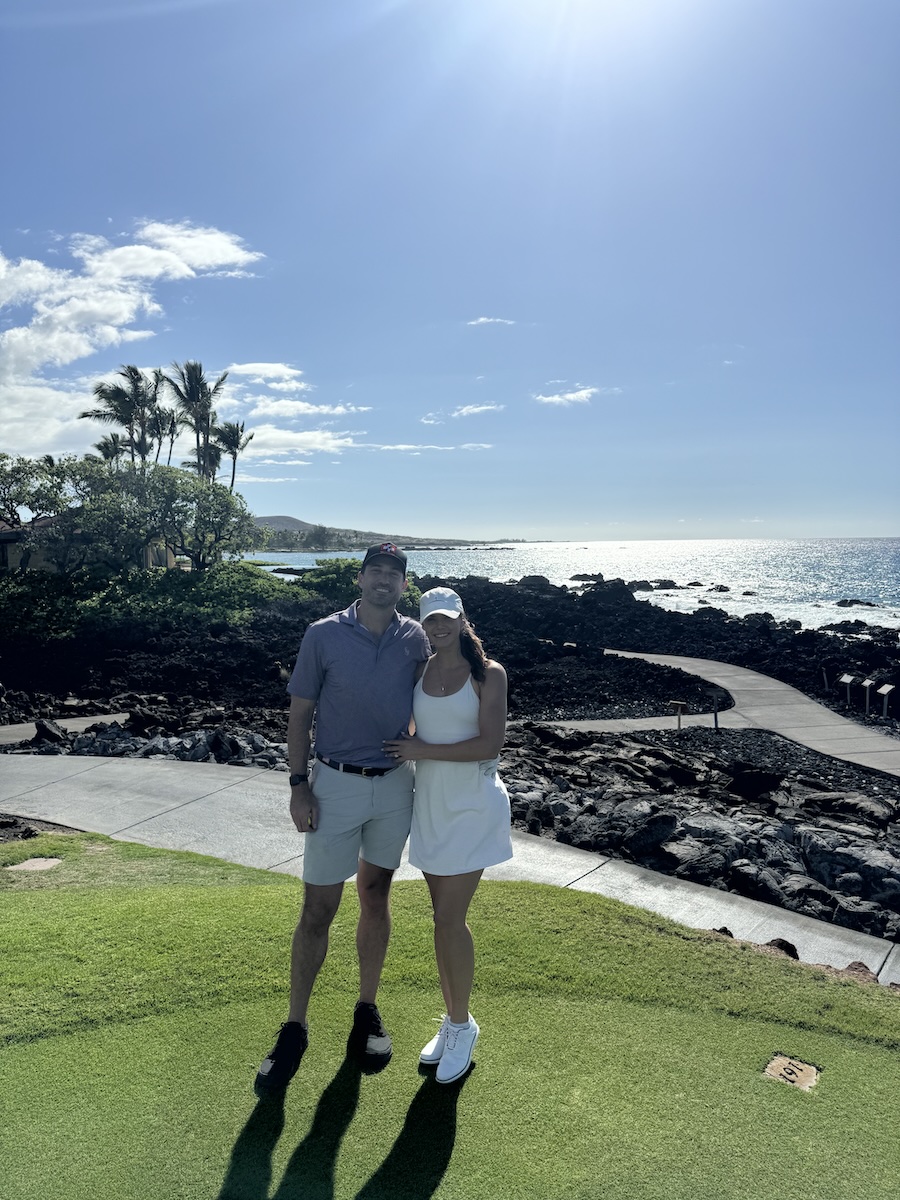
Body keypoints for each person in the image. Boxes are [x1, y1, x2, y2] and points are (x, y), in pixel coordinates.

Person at [255, 543, 430, 1094]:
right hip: (332, 784)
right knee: (317, 907)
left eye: (393, 575)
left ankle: (366, 1010)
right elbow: (301, 712)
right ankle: (295, 1025)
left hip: (395, 785)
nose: (383, 581)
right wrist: (297, 784)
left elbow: (440, 697)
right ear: (360, 578)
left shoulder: (417, 638)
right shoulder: (322, 634)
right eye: (375, 572)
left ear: (404, 585)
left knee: (376, 894)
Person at [384, 586, 512, 1084]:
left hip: (473, 808)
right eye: (430, 622)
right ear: (422, 625)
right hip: (431, 806)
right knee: (441, 921)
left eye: (446, 619)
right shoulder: (419, 669)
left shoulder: (489, 674)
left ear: (462, 619)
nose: (438, 628)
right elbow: (408, 726)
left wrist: (420, 751)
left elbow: (489, 744)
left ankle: (461, 1026)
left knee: (449, 921)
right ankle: (458, 1016)